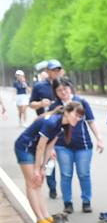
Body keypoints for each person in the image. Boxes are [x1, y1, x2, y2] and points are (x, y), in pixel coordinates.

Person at [14, 102, 85, 223]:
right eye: (76, 115)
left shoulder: (63, 126)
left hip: (35, 150)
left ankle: (46, 216)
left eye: (80, 117)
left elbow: (49, 148)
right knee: (32, 183)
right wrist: (37, 169)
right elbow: (41, 147)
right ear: (67, 112)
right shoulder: (51, 122)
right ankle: (40, 218)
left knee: (39, 182)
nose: (78, 119)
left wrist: (43, 168)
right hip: (24, 148)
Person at [48, 78, 103, 215]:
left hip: (83, 145)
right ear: (55, 92)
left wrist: (99, 139)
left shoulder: (81, 102)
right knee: (66, 174)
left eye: (65, 89)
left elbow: (91, 121)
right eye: (59, 90)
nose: (63, 92)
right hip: (62, 146)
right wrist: (51, 148)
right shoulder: (55, 107)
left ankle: (86, 202)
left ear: (70, 88)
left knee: (84, 174)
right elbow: (49, 129)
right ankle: (68, 203)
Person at [29, 60, 64, 198]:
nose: (56, 72)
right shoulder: (39, 86)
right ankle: (52, 187)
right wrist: (40, 103)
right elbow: (31, 104)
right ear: (48, 71)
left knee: (65, 158)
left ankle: (66, 190)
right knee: (50, 159)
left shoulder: (65, 85)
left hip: (63, 126)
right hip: (46, 126)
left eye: (58, 70)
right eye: (53, 70)